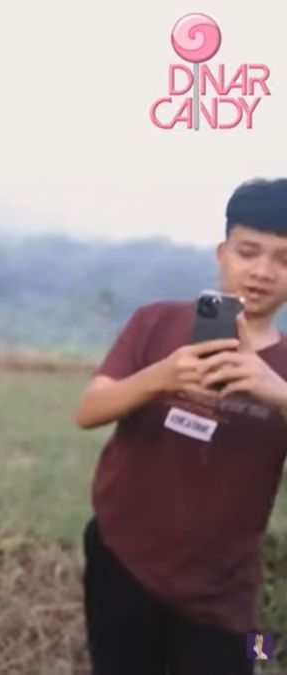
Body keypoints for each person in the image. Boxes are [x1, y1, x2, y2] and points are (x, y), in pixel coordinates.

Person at [74, 177, 287, 675]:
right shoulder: (157, 323)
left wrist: (272, 388)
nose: (261, 272)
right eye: (248, 252)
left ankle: (269, 657)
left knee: (252, 657)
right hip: (122, 557)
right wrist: (161, 376)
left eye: (282, 258)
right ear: (222, 253)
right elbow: (89, 410)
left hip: (224, 591)